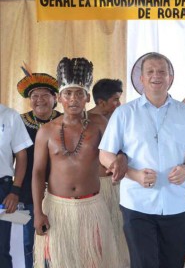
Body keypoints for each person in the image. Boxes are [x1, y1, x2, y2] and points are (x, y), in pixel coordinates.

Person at [99, 52, 185, 268]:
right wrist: (134, 174)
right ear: (141, 79)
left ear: (170, 78)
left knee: (173, 264)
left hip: (177, 204)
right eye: (150, 71)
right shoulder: (124, 113)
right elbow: (105, 154)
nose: (156, 76)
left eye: (161, 72)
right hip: (138, 204)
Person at [32, 57, 123, 268]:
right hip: (57, 208)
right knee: (60, 262)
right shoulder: (46, 132)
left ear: (87, 97)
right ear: (59, 98)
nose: (73, 99)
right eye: (68, 94)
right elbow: (37, 173)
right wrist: (38, 212)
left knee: (94, 262)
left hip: (91, 206)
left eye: (79, 94)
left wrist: (119, 161)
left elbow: (116, 154)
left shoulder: (100, 124)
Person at [17, 69, 61, 268]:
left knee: (58, 243)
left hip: (60, 193)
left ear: (55, 98)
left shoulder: (65, 120)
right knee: (31, 242)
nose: (39, 100)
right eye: (34, 96)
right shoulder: (17, 122)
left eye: (45, 95)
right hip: (27, 193)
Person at [89, 78, 129, 268]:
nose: (119, 104)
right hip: (100, 187)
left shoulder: (108, 119)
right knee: (105, 235)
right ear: (101, 102)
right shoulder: (96, 120)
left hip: (108, 185)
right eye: (115, 99)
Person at [0, 104, 32, 268]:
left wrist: (15, 190)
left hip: (2, 190)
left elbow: (21, 155)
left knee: (1, 248)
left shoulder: (10, 115)